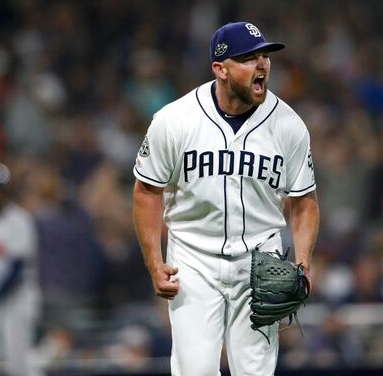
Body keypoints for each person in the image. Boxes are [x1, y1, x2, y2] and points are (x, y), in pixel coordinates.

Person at [133, 21, 319, 375]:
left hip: (260, 261)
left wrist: (304, 262)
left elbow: (304, 200)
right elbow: (146, 191)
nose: (262, 64)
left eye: (265, 56)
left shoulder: (289, 125)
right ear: (221, 69)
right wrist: (154, 263)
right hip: (192, 259)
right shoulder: (175, 120)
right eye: (249, 58)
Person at [0, 163, 43, 376]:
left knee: (18, 364)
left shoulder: (18, 221)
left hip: (17, 299)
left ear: (4, 192)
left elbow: (17, 268)